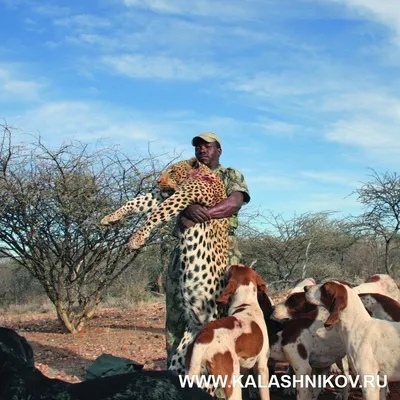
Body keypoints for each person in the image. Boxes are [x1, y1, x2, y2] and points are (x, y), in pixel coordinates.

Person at [165, 131, 251, 367]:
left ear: (218, 150)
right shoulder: (185, 173)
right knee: (177, 313)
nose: (201, 150)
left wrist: (198, 216)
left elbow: (234, 203)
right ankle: (175, 375)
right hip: (186, 250)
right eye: (198, 147)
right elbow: (167, 199)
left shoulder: (230, 175)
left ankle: (218, 376)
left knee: (218, 315)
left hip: (218, 251)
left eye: (207, 146)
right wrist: (186, 208)